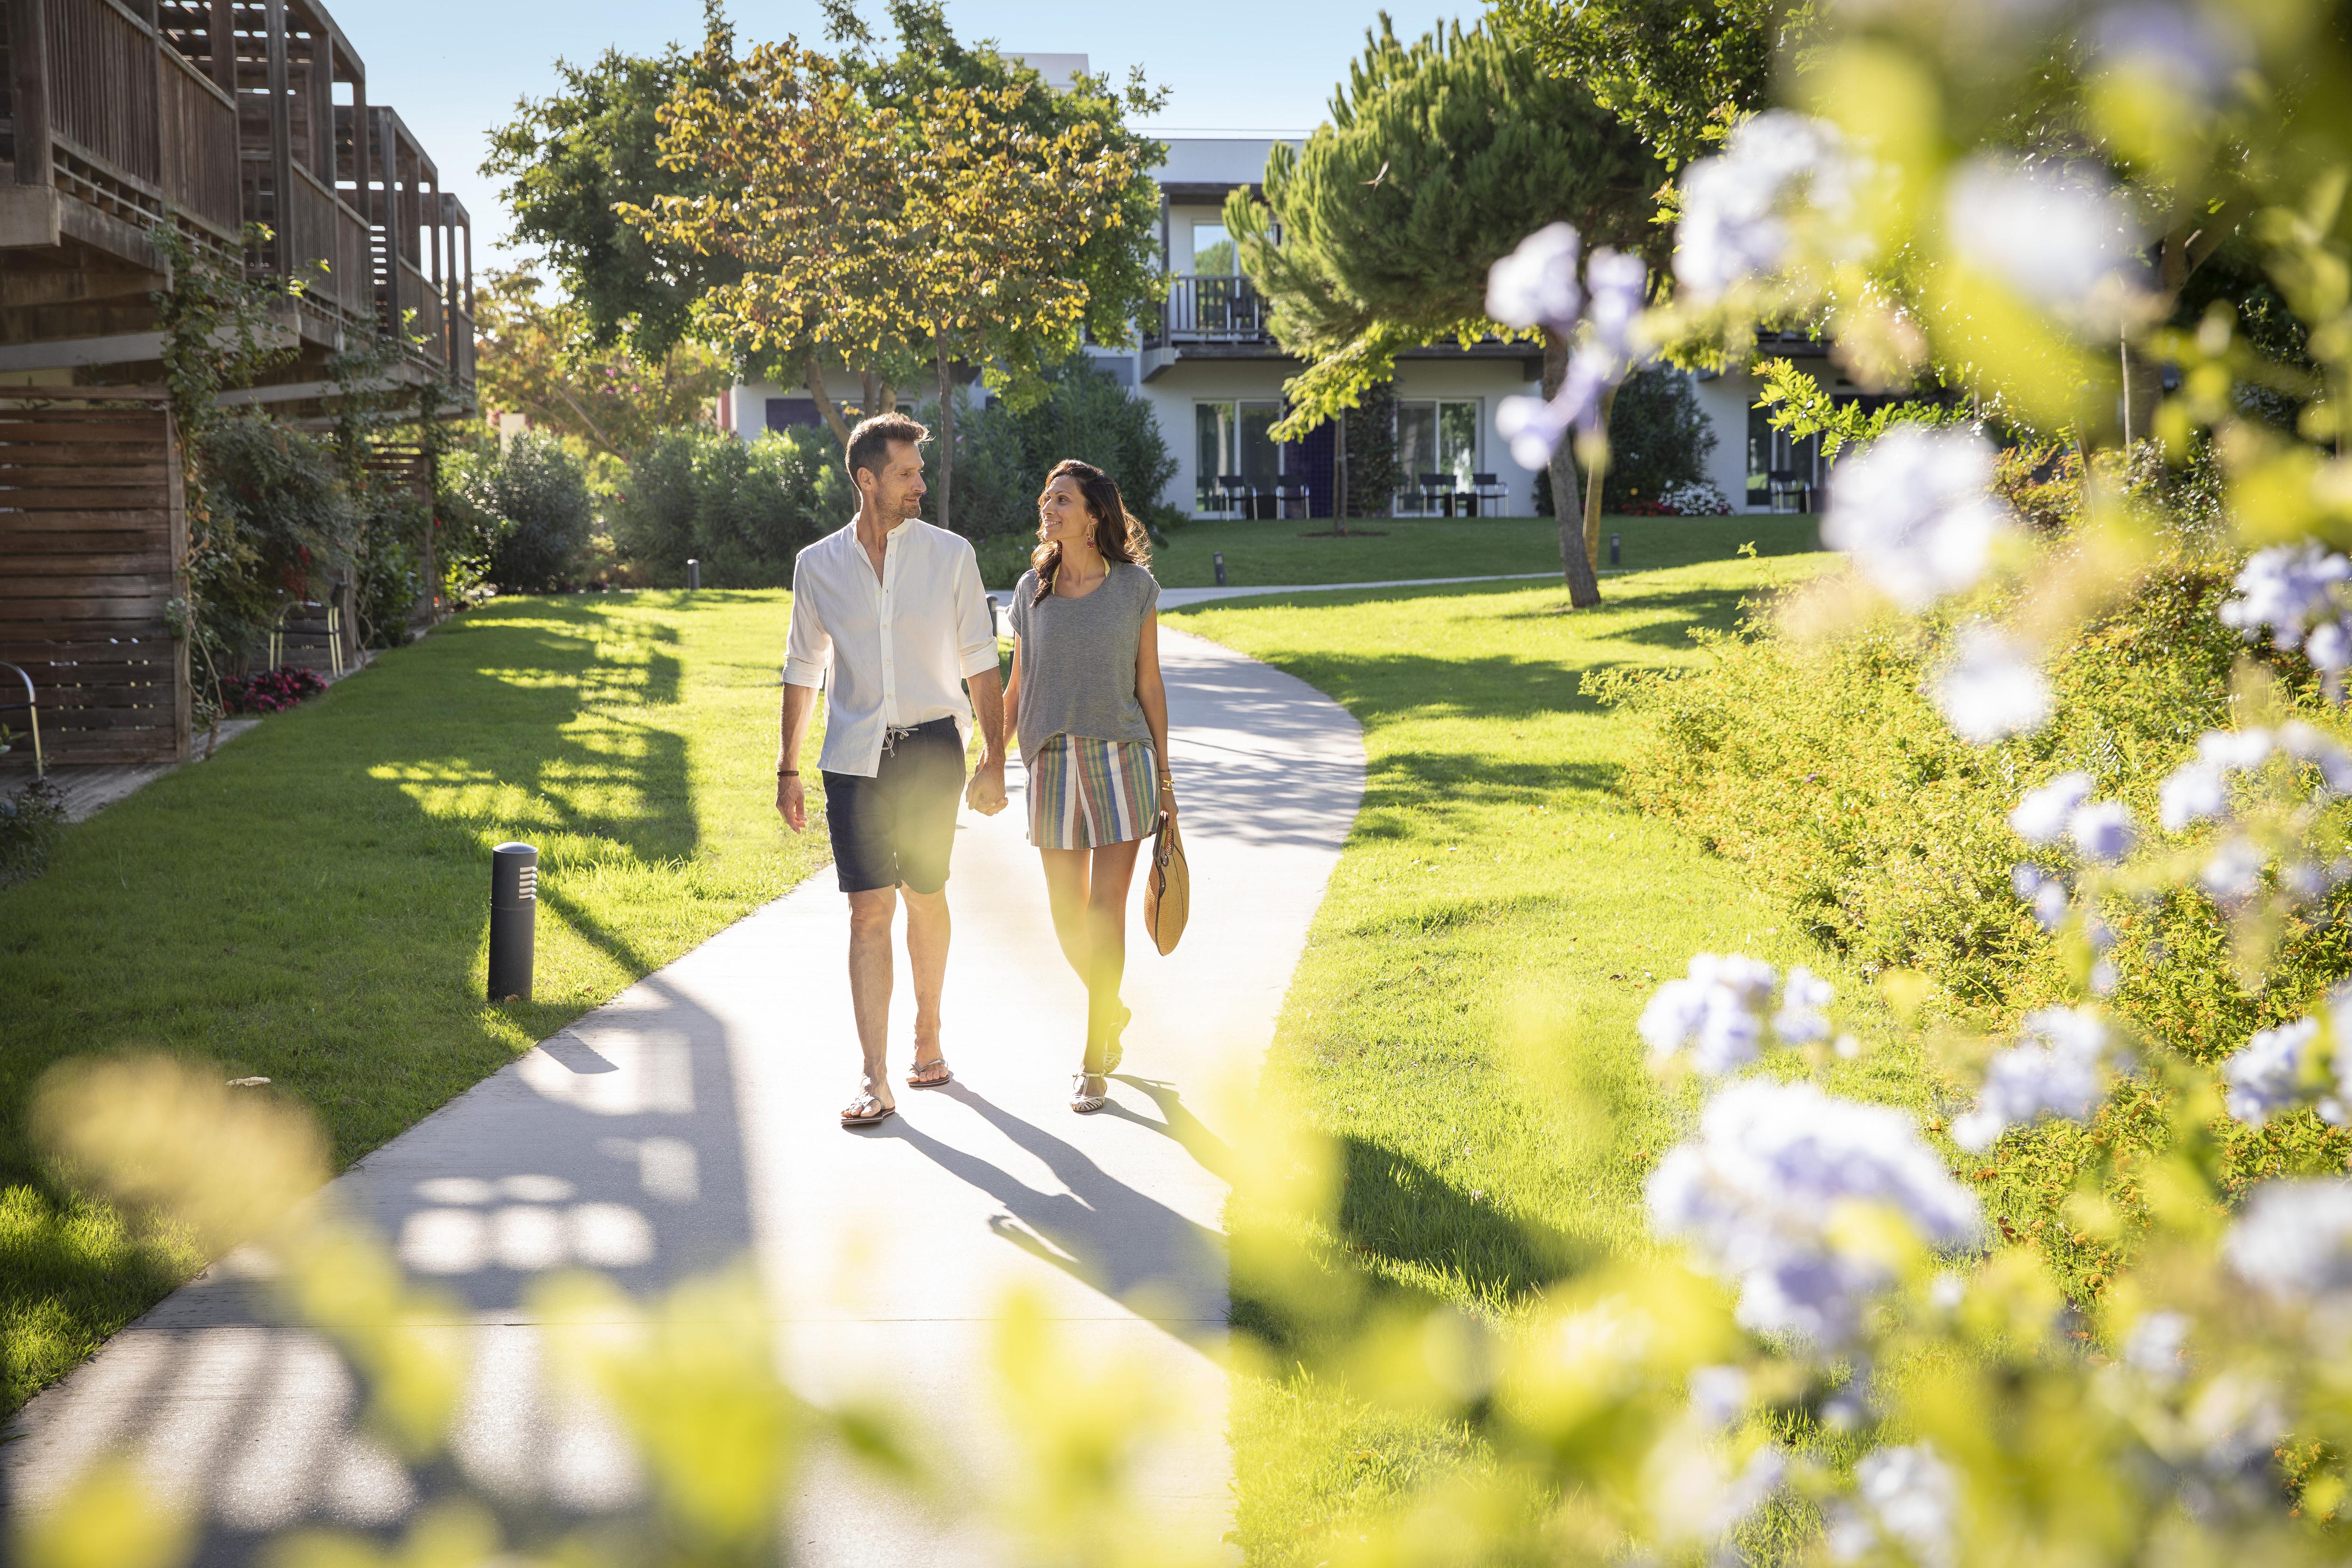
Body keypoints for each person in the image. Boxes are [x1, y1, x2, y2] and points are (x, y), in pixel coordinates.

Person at [776, 412, 1009, 1130]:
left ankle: (928, 1032)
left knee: (924, 892)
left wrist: (995, 758)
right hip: (854, 760)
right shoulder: (818, 564)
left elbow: (980, 659)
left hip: (933, 749)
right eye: (906, 474)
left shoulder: (950, 555)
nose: (919, 485)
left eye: (918, 471)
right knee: (867, 908)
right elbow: (802, 669)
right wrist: (787, 768)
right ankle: (875, 1076)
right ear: (866, 478)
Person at [1002, 460, 1174, 1114]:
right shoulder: (1032, 590)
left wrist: (1165, 775)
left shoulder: (1135, 588)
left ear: (1095, 514)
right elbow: (1018, 683)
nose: (1049, 506)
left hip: (1122, 759)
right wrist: (992, 757)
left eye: (1063, 499)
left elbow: (1150, 684)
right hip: (1049, 761)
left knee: (1104, 913)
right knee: (1065, 916)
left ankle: (1091, 1056)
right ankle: (1114, 1007)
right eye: (1047, 496)